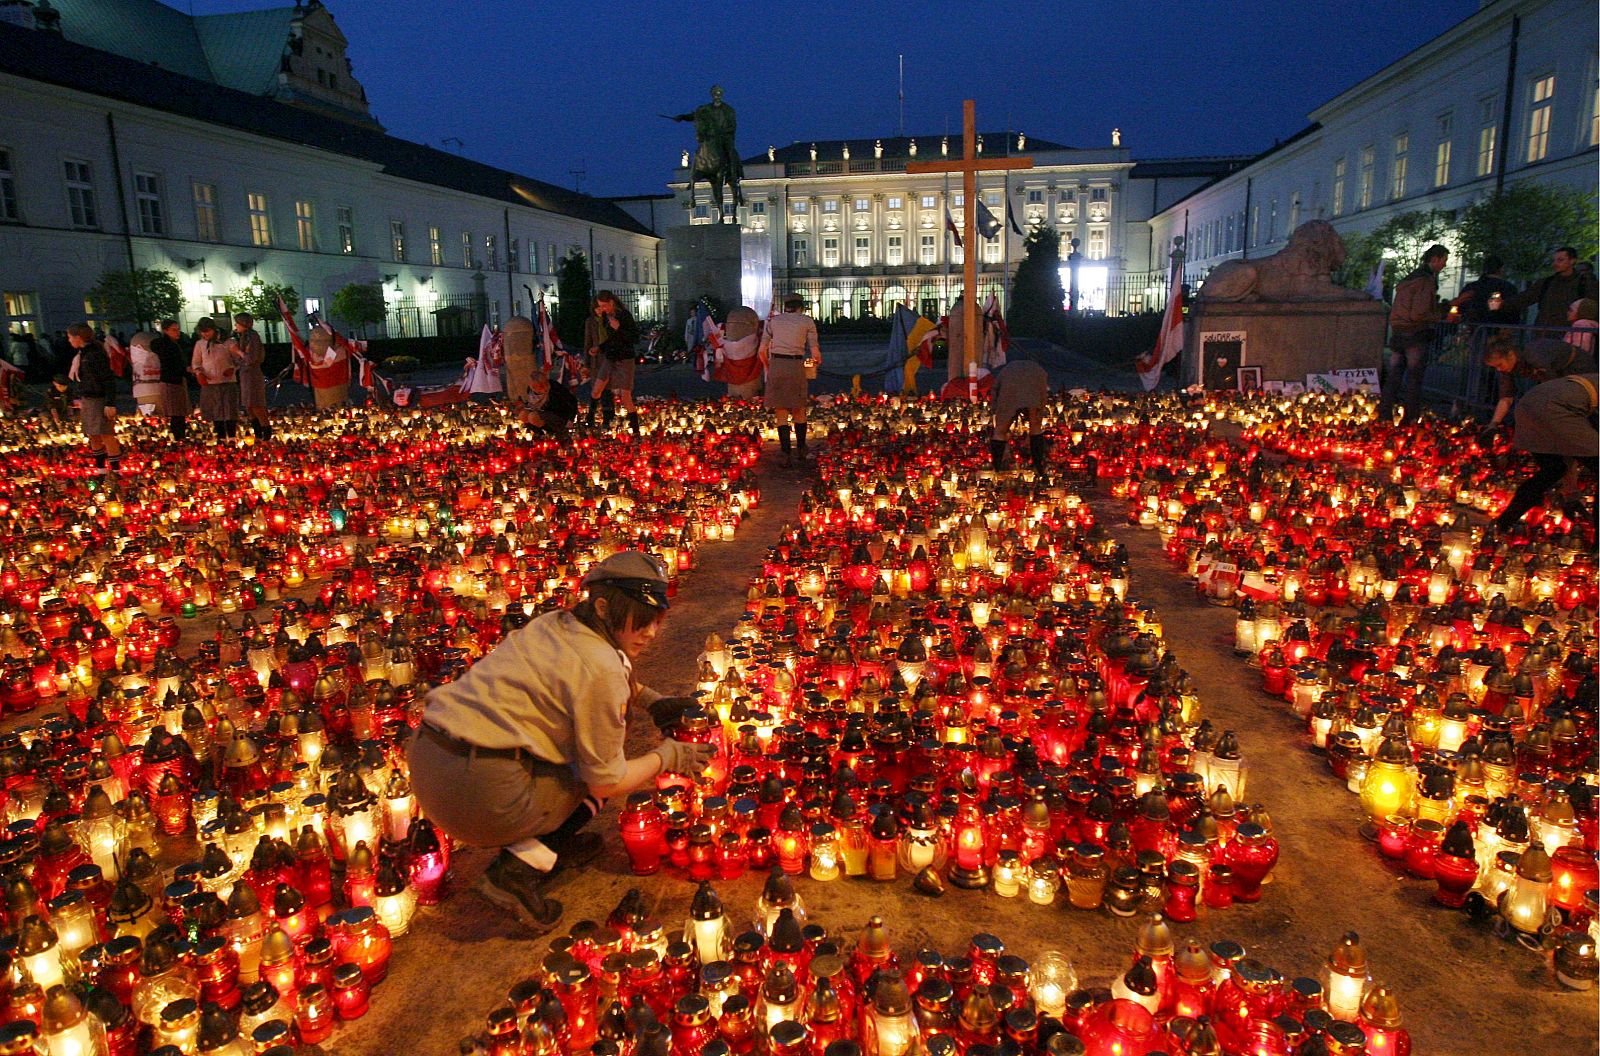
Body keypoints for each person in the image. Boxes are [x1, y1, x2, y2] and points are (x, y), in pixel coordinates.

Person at [405, 551, 713, 933]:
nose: (650, 633)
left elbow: (585, 675)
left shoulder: (555, 624)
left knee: (584, 756)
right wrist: (668, 755)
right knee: (596, 773)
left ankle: (551, 843)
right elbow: (607, 778)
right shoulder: (600, 665)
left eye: (656, 620)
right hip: (476, 792)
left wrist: (652, 701)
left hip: (430, 759)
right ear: (603, 606)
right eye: (640, 619)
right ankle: (516, 872)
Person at [1493, 373, 1599, 532]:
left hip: (1529, 405)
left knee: (1553, 469)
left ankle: (1502, 524)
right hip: (1554, 408)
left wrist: (1571, 493)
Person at [1378, 244, 1448, 421]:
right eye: (1444, 260)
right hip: (1415, 334)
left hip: (1399, 332)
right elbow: (1419, 313)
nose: (1445, 265)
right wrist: (1440, 315)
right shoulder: (1425, 281)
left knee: (1394, 376)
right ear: (1435, 259)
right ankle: (1409, 418)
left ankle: (1384, 414)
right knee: (1414, 379)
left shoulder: (1409, 280)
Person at [759, 294, 821, 466]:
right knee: (798, 409)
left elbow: (762, 350)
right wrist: (816, 361)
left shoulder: (773, 322)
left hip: (777, 365)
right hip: (796, 365)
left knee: (781, 411)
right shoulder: (807, 322)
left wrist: (768, 367)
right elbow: (815, 352)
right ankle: (801, 448)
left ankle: (785, 452)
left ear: (785, 306)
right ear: (801, 306)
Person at [67, 323, 120, 473]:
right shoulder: (83, 354)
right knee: (93, 434)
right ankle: (101, 469)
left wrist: (110, 403)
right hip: (89, 397)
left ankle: (116, 471)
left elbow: (107, 378)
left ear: (78, 337)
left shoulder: (94, 354)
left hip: (99, 398)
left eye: (70, 337)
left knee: (106, 434)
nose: (69, 340)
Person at [586, 291, 640, 436]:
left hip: (624, 358)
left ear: (612, 302)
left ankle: (635, 429)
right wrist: (599, 348)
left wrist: (619, 328)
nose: (602, 309)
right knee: (596, 389)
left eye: (604, 305)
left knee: (625, 396)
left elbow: (634, 337)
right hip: (610, 356)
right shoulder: (605, 317)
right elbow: (610, 338)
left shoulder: (624, 315)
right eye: (600, 306)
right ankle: (590, 419)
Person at [1510, 247, 1600, 329]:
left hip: (1570, 334)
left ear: (1572, 261)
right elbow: (1525, 298)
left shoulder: (1586, 284)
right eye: (1554, 260)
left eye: (1560, 260)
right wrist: (1504, 304)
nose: (1555, 263)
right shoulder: (1546, 282)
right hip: (1545, 333)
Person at [989, 359, 1051, 472]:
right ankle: (1038, 466)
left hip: (1010, 387)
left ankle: (996, 466)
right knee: (1035, 425)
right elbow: (1043, 395)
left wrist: (996, 412)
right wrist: (1039, 413)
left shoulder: (1005, 371)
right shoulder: (1038, 371)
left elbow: (995, 391)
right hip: (1034, 383)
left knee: (1000, 431)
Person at [190, 317, 242, 439]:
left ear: (213, 329)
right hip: (209, 383)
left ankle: (232, 436)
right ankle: (221, 437)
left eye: (207, 331)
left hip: (227, 382)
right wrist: (199, 373)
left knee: (230, 410)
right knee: (214, 412)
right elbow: (196, 362)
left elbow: (239, 359)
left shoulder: (227, 342)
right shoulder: (200, 344)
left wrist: (232, 368)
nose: (205, 334)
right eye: (202, 332)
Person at [1451, 256, 1520, 328]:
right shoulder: (1507, 287)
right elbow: (1513, 308)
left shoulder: (1471, 287)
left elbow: (1461, 307)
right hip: (1498, 326)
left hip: (1472, 326)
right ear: (1500, 269)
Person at [151, 320, 192, 440]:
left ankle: (180, 436)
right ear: (165, 331)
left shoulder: (175, 344)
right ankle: (179, 437)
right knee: (176, 413)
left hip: (177, 380)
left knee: (179, 412)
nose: (177, 332)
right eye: (174, 330)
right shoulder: (166, 346)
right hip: (171, 381)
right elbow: (172, 363)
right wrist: (185, 370)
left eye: (178, 329)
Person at [233, 313, 270, 440]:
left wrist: (238, 351)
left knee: (256, 405)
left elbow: (251, 358)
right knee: (249, 406)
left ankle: (265, 433)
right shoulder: (244, 337)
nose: (236, 326)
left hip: (252, 375)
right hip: (245, 375)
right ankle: (258, 432)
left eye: (237, 323)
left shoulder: (252, 337)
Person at [718, 305, 763, 399]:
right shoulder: (756, 341)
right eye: (730, 324)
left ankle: (735, 398)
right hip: (751, 369)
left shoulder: (726, 346)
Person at [523, 368, 578, 437]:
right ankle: (539, 434)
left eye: (536, 387)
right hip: (542, 413)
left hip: (558, 416)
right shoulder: (531, 391)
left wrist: (571, 419)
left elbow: (572, 401)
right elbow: (532, 404)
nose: (534, 389)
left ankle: (553, 434)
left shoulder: (555, 387)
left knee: (533, 416)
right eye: (533, 387)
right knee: (523, 414)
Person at [307, 327, 350, 410]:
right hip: (320, 390)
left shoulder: (339, 352)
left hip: (337, 386)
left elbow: (326, 363)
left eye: (319, 340)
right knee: (323, 407)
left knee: (338, 407)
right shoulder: (312, 356)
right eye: (312, 340)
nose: (314, 343)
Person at [128, 331, 164, 417]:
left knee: (147, 417)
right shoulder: (158, 357)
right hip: (159, 389)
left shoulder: (137, 359)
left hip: (141, 391)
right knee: (163, 417)